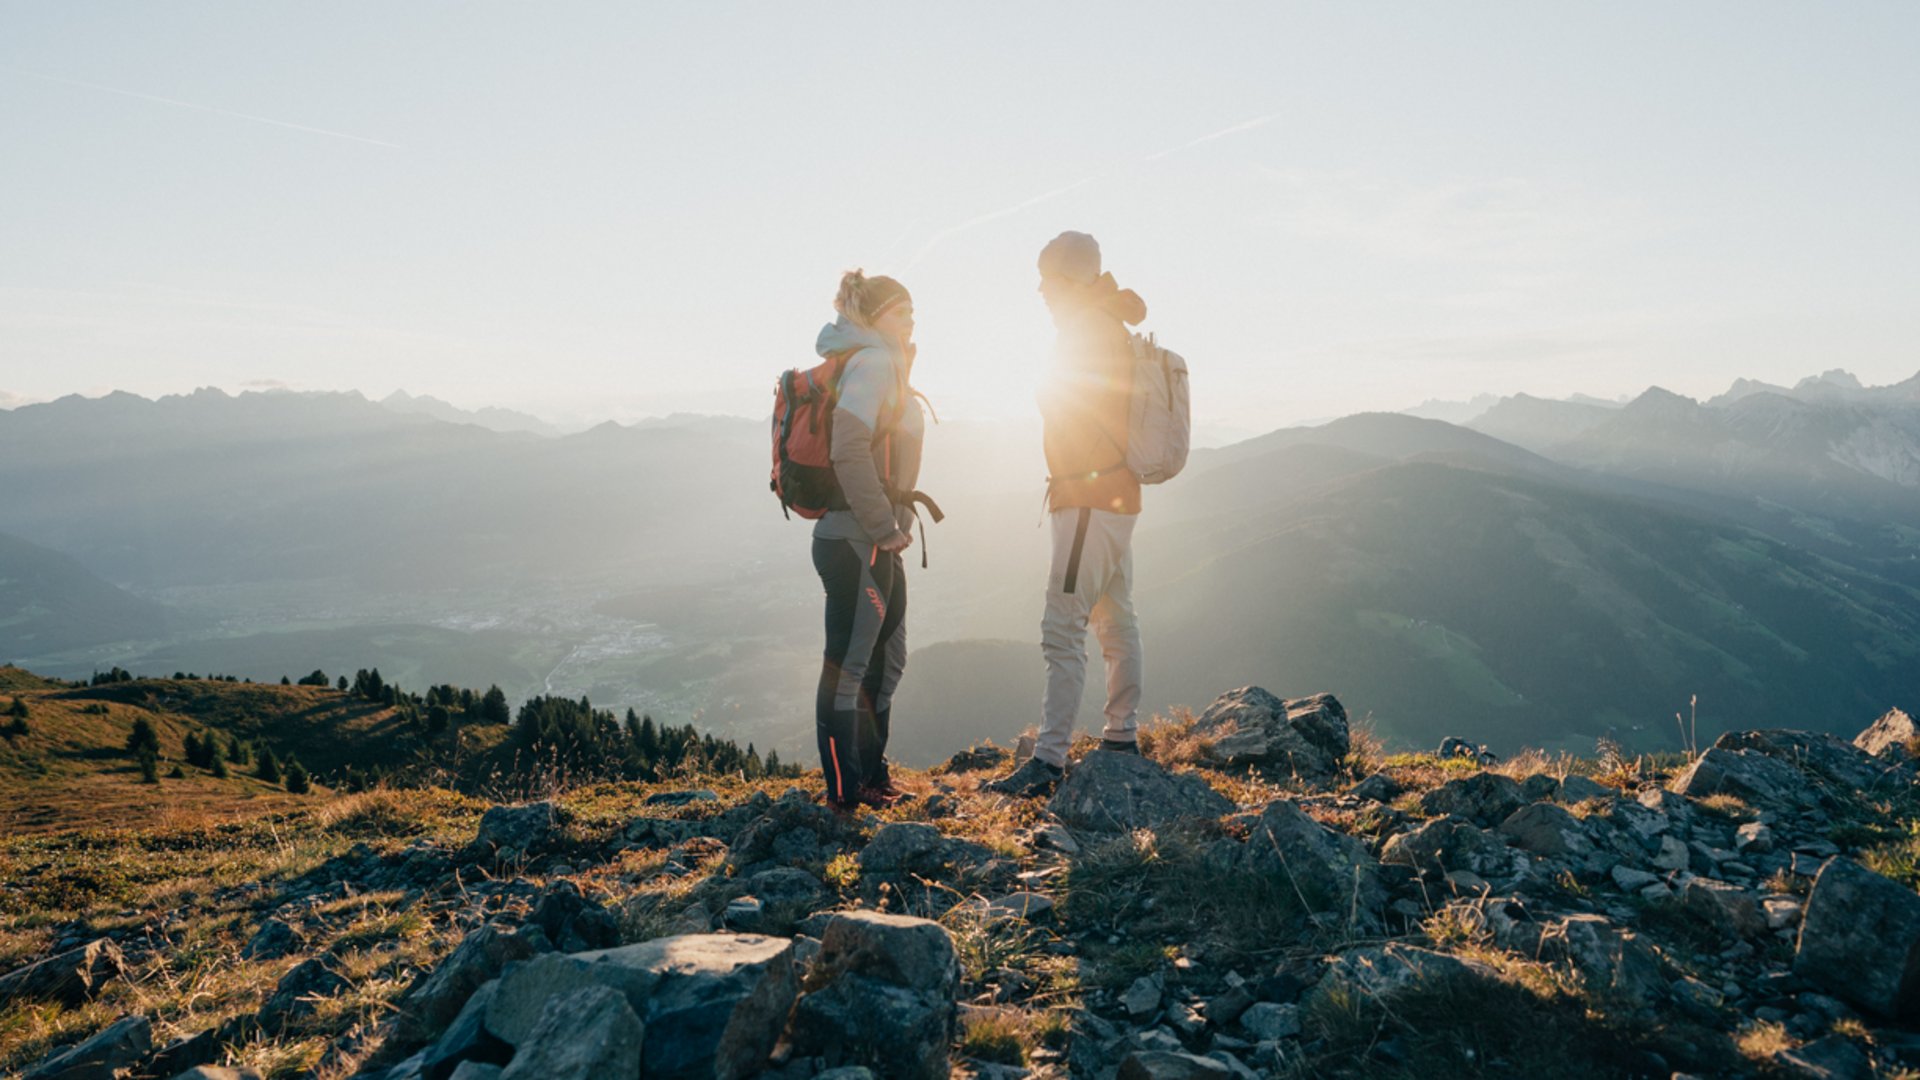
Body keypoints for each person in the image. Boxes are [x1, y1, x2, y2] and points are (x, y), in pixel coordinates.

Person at [988, 231, 1148, 797]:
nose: (1040, 290)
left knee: (1063, 627)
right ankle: (1121, 736)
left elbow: (1075, 411)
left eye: (1048, 279)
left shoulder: (1086, 333)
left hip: (1086, 497)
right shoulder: (1110, 325)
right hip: (1115, 498)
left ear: (1072, 281)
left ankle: (1049, 760)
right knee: (1115, 616)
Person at [811, 269, 926, 810]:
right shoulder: (874, 363)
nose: (911, 318)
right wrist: (883, 524)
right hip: (857, 539)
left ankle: (872, 773)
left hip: (881, 539)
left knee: (888, 660)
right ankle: (844, 793)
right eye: (900, 310)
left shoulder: (887, 364)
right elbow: (848, 448)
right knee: (848, 668)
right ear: (876, 316)